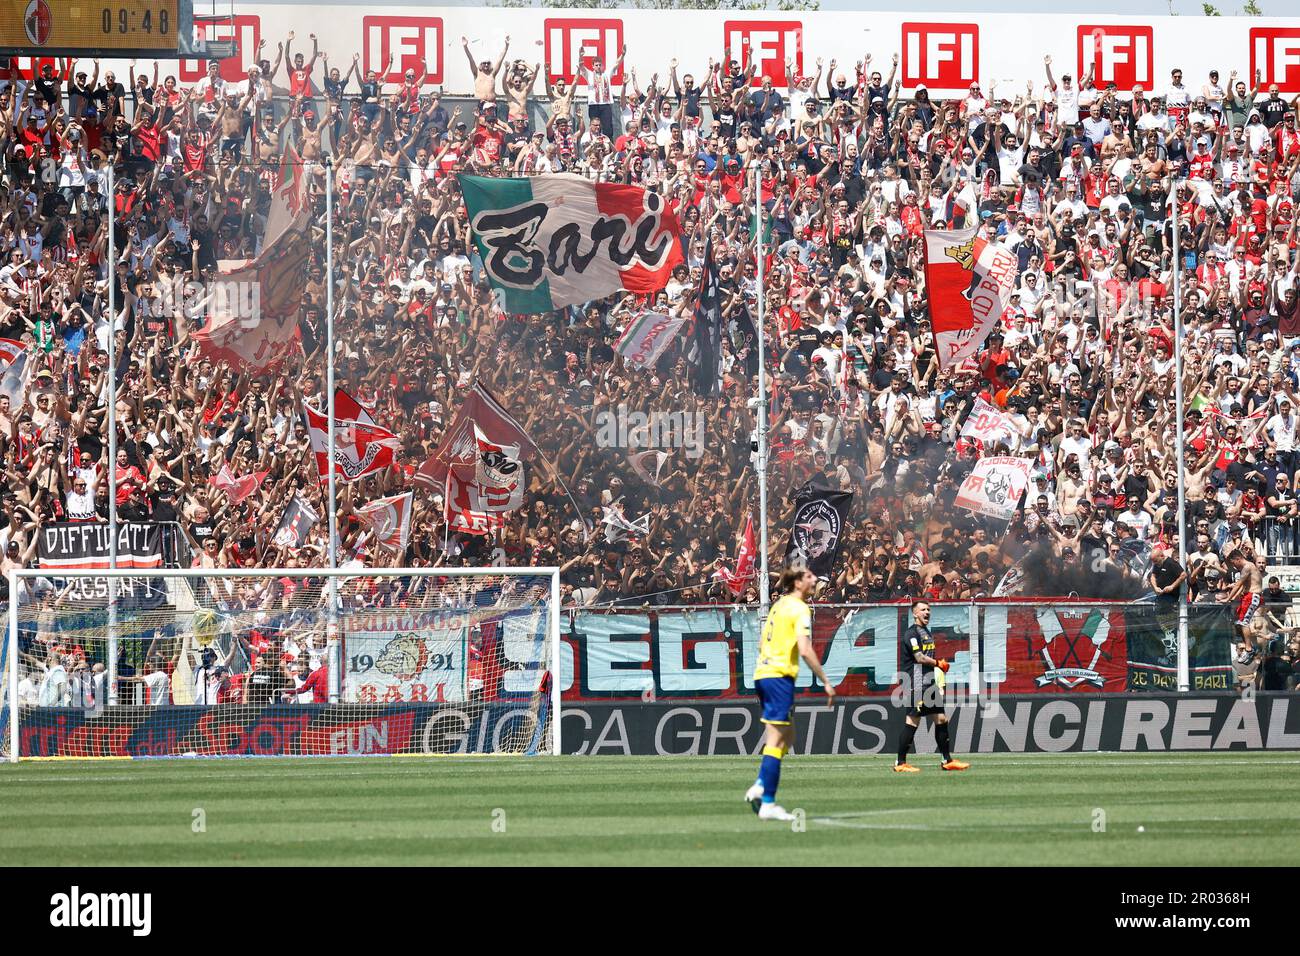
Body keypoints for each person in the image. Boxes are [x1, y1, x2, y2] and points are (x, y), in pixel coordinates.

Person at [743, 567, 835, 821]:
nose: (815, 578)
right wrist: (826, 681)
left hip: (765, 674)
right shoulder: (799, 608)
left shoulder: (779, 605)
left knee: (789, 735)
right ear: (797, 582)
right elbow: (805, 649)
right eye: (809, 576)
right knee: (775, 739)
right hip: (777, 676)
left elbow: (763, 642)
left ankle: (761, 784)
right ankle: (768, 803)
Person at [894, 600, 969, 772]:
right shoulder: (911, 633)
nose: (927, 612)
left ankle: (946, 760)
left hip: (928, 681)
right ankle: (900, 763)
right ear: (914, 613)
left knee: (941, 719)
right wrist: (939, 663)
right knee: (912, 721)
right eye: (923, 609)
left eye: (928, 609)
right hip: (916, 681)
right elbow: (919, 657)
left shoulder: (926, 632)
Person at [1224, 549, 1265, 664]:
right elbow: (1242, 587)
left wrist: (1228, 599)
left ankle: (1249, 649)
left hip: (1253, 596)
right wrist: (1232, 598)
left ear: (1238, 559)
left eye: (1233, 563)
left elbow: (1238, 584)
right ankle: (1248, 647)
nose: (1234, 566)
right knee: (1239, 622)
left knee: (1244, 622)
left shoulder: (1247, 566)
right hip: (1248, 596)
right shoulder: (1247, 568)